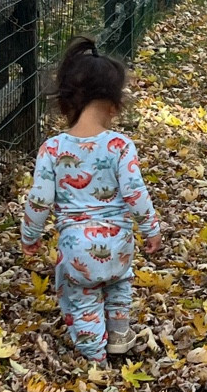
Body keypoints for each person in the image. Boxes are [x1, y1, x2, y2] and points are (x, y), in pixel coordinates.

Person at [21, 37, 161, 365]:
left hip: (76, 246)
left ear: (66, 102)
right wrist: (151, 228)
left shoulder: (53, 149)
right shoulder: (121, 145)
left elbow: (39, 200)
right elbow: (135, 192)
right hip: (120, 244)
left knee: (82, 301)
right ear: (113, 106)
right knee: (118, 285)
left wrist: (31, 235)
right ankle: (118, 336)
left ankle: (94, 358)